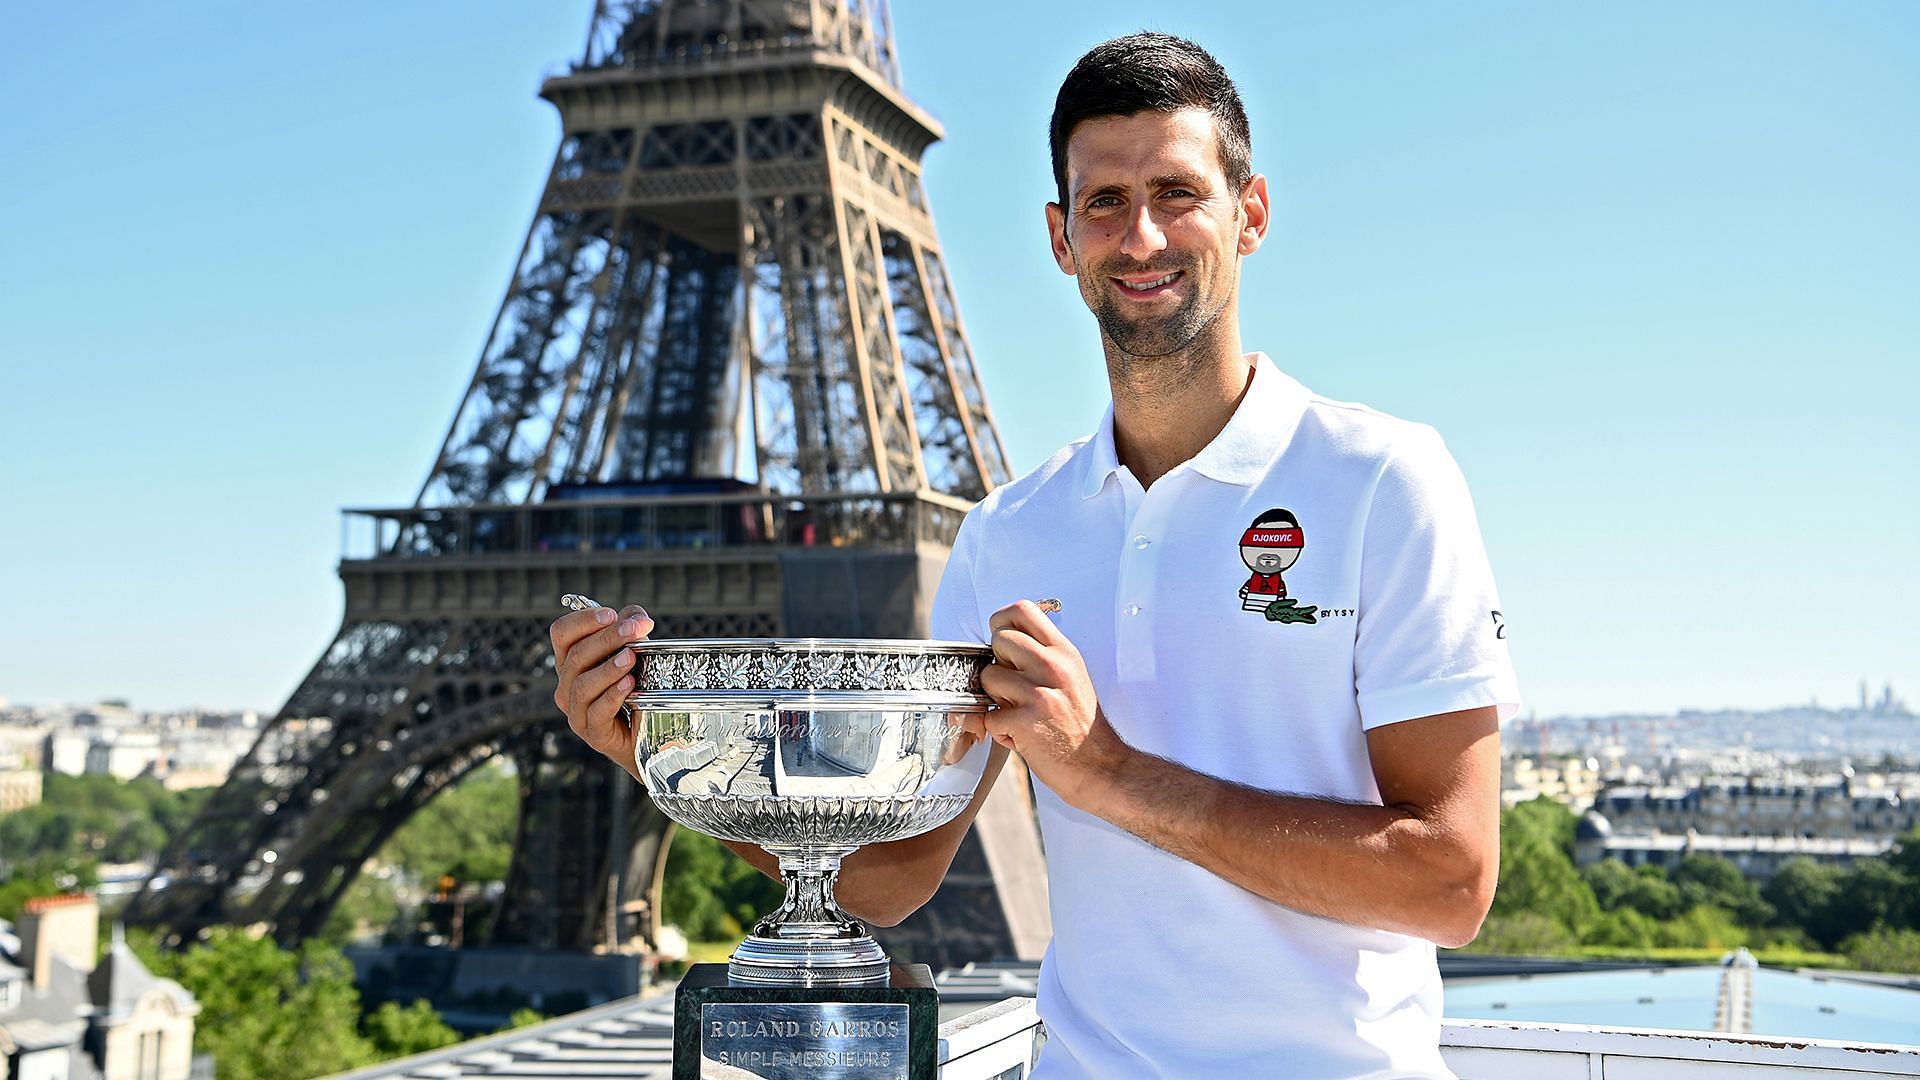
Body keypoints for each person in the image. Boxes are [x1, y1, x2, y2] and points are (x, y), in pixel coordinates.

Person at [551, 32, 1518, 1079]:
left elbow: (1451, 885)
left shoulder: (1383, 481)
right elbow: (888, 883)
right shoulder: (1009, 533)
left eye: (1177, 192)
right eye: (1105, 202)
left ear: (1253, 213)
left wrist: (1106, 773)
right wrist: (665, 755)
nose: (1140, 234)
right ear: (1061, 238)